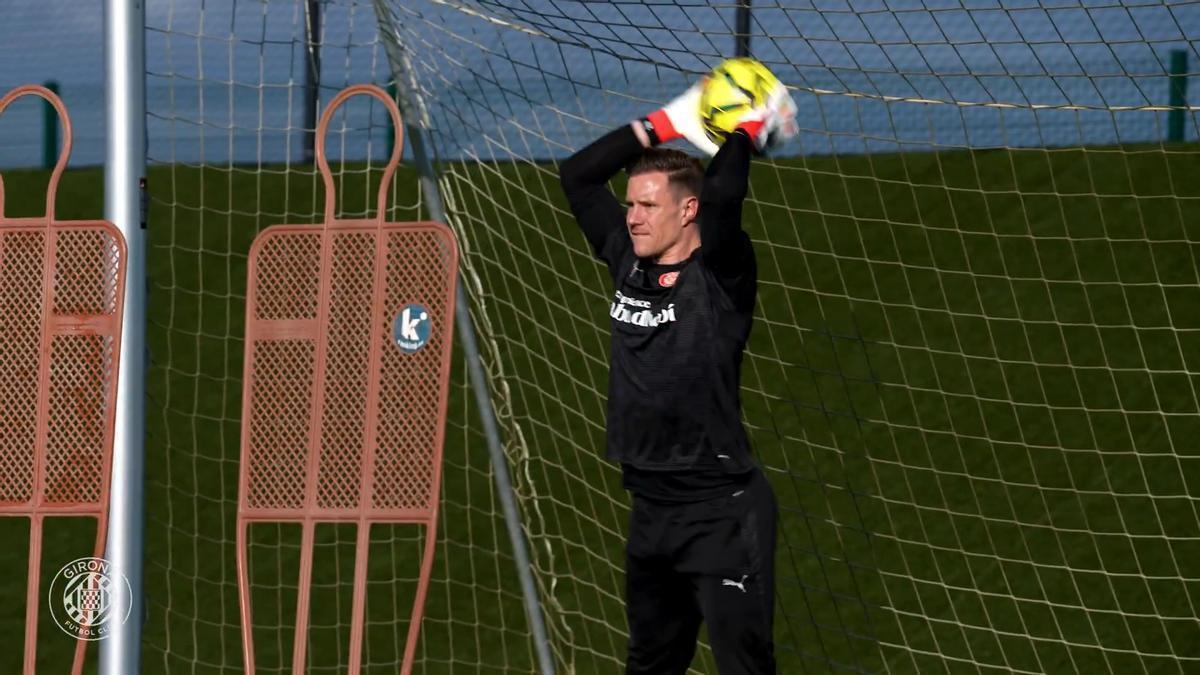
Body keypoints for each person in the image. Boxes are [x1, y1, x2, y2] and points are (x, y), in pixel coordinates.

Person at [558, 70, 797, 674]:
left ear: (687, 210)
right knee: (649, 666)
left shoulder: (722, 272)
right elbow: (577, 175)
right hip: (651, 514)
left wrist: (742, 134)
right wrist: (666, 122)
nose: (632, 217)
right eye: (630, 204)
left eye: (647, 205)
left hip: (722, 512)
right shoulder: (625, 260)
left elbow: (723, 200)